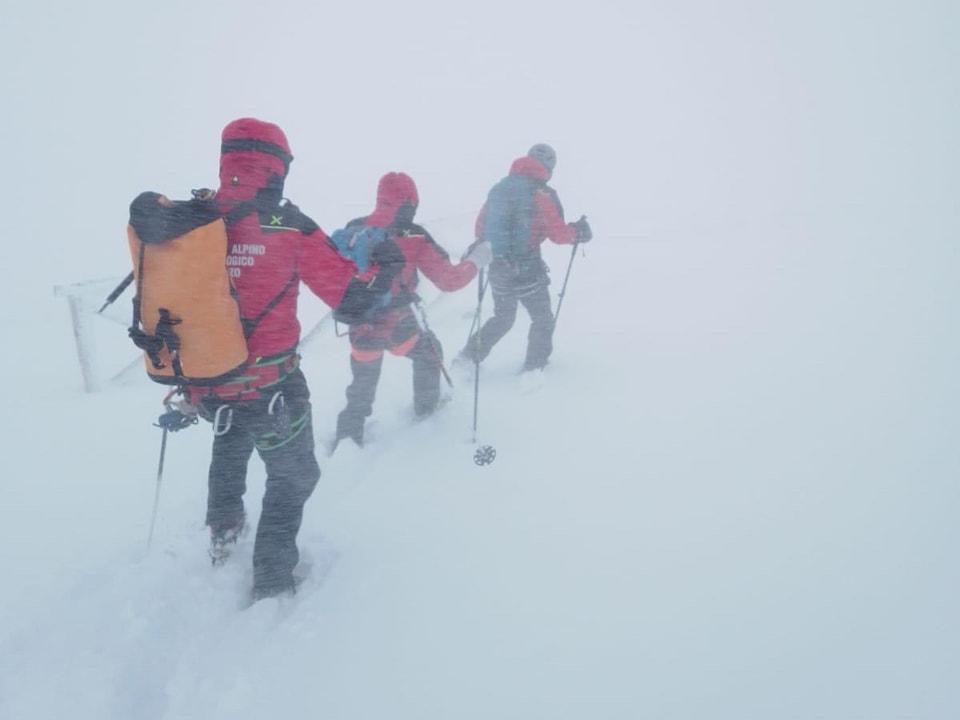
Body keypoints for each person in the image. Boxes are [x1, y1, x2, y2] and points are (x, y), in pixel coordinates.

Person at [177, 118, 403, 601]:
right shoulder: (288, 226)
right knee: (294, 475)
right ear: (277, 167)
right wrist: (387, 268)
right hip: (271, 385)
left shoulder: (194, 219)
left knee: (230, 444)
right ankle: (273, 579)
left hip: (210, 380)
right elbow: (352, 304)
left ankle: (224, 531)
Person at [333, 171, 492, 450]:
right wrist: (476, 260)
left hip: (359, 324)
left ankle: (348, 437)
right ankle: (427, 413)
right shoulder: (414, 234)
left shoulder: (355, 227)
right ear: (410, 202)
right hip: (397, 323)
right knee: (430, 354)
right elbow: (449, 280)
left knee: (362, 385)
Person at [458, 144, 592, 372]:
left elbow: (480, 227)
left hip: (497, 266)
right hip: (527, 267)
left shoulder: (500, 188)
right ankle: (534, 368)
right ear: (549, 167)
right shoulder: (541, 192)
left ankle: (467, 358)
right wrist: (578, 233)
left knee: (503, 317)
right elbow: (558, 234)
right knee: (542, 318)